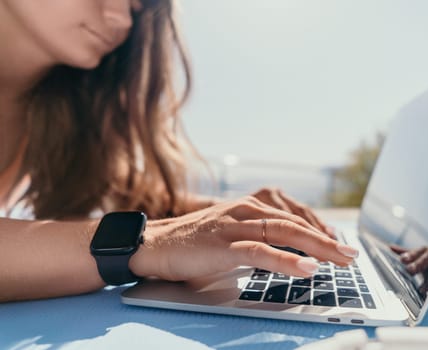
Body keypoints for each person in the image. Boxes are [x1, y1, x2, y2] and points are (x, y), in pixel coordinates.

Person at [0, 0, 358, 302]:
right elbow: (147, 232)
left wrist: (231, 218)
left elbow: (122, 188)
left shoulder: (53, 110)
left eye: (136, 5)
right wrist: (140, 243)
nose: (122, 18)